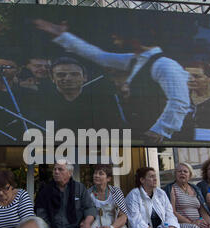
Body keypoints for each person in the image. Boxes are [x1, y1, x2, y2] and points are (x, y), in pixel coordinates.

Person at [33, 19, 191, 143]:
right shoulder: (136, 60)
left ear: (134, 39)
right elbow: (100, 56)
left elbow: (180, 101)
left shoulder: (165, 64)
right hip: (150, 134)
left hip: (168, 138)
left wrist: (160, 130)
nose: (114, 38)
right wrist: (63, 37)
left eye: (118, 35)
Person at [163, 162, 210, 228]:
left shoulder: (195, 189)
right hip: (180, 224)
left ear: (190, 175)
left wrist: (209, 225)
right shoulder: (171, 188)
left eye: (185, 171)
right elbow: (172, 212)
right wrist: (192, 222)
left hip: (198, 222)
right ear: (175, 174)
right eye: (179, 171)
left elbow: (203, 210)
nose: (182, 173)